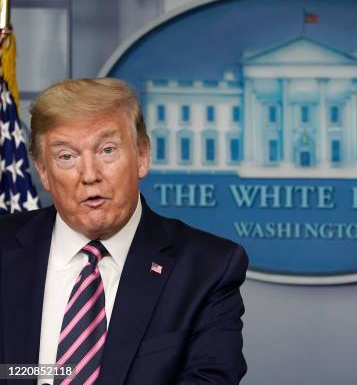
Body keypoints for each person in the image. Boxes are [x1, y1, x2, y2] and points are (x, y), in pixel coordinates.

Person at [0, 78, 248, 385]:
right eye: (66, 156)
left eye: (107, 150)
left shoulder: (207, 267)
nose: (90, 175)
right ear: (43, 172)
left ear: (142, 155)